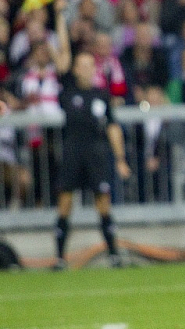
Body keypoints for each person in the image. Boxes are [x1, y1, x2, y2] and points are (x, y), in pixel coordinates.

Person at [53, 18, 132, 270]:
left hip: (96, 155)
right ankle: (60, 258)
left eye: (90, 65)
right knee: (65, 204)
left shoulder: (101, 95)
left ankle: (113, 254)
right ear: (75, 68)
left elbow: (112, 126)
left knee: (103, 204)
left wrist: (120, 159)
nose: (86, 69)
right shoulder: (67, 90)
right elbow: (63, 54)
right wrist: (60, 17)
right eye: (82, 65)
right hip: (72, 153)